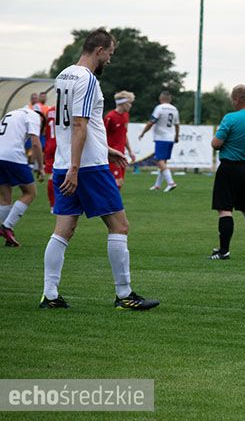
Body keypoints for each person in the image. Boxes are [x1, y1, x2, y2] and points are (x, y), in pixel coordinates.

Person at [39, 27, 159, 310]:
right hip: (87, 168)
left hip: (65, 163)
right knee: (119, 226)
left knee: (63, 230)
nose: (110, 60)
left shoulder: (64, 75)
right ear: (99, 50)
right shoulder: (88, 79)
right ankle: (124, 294)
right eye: (110, 54)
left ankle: (50, 295)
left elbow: (73, 125)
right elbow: (79, 124)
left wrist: (104, 149)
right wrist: (77, 168)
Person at [208, 84, 245, 260]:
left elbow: (216, 143)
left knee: (225, 209)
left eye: (232, 99)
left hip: (230, 167)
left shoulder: (231, 118)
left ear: (237, 99)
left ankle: (224, 251)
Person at [0, 107, 44, 247]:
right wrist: (40, 167)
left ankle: (6, 233)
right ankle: (7, 227)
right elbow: (36, 144)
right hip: (13, 156)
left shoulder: (12, 113)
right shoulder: (34, 116)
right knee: (30, 192)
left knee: (5, 198)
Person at [139, 91, 180, 192]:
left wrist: (143, 132)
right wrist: (176, 136)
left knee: (159, 161)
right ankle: (157, 185)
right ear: (170, 99)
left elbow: (151, 122)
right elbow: (177, 125)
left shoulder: (160, 108)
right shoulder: (174, 109)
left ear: (161, 98)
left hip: (161, 137)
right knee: (163, 161)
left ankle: (171, 182)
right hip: (170, 138)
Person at [104, 91, 136, 189]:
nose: (130, 105)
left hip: (121, 154)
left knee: (120, 182)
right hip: (112, 156)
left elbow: (124, 134)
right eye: (129, 103)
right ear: (123, 103)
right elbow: (102, 136)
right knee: (115, 183)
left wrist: (130, 151)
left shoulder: (126, 115)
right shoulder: (110, 117)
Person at [43, 103, 57, 211]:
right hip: (60, 144)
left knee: (52, 176)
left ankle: (53, 205)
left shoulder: (49, 111)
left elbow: (44, 129)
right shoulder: (65, 108)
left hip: (49, 144)